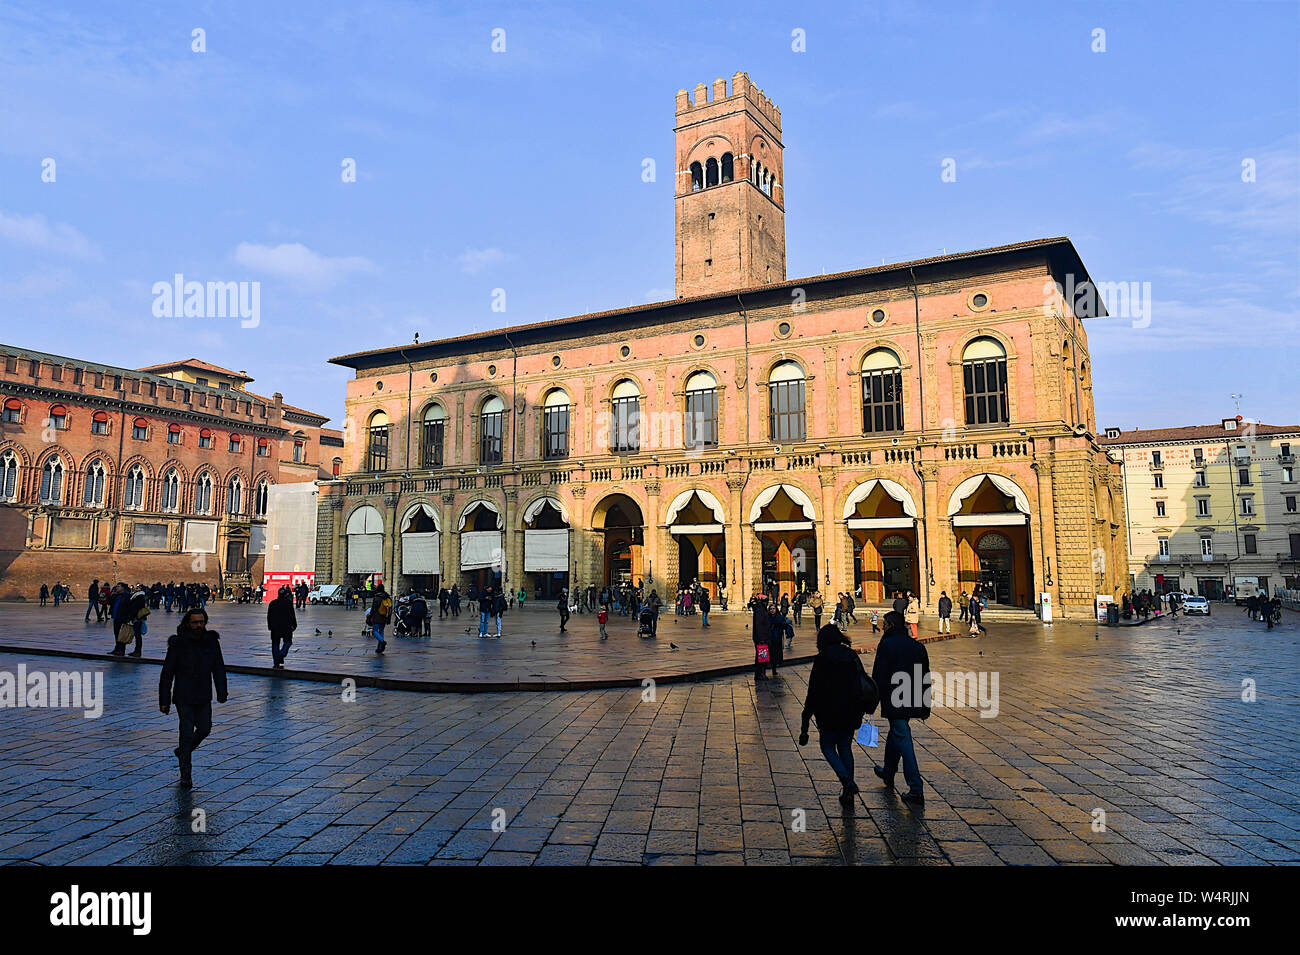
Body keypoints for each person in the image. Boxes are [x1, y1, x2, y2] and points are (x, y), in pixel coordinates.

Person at [799, 624, 875, 805]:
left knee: (827, 746)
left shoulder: (822, 658)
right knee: (845, 748)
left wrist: (805, 721)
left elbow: (813, 691)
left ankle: (846, 780)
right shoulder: (851, 655)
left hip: (827, 711)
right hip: (851, 710)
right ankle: (847, 793)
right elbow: (862, 680)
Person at [159, 608, 228, 789]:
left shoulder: (211, 641)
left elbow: (218, 667)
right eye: (195, 622)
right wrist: (164, 700)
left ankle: (182, 752)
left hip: (203, 694)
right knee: (186, 733)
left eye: (201, 622)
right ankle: (186, 775)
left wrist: (222, 692)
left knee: (205, 728)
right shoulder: (178, 643)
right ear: (187, 623)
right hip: (184, 695)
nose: (198, 626)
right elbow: (167, 673)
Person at [872, 611, 929, 805]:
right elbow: (925, 677)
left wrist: (873, 700)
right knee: (896, 732)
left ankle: (916, 788)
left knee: (903, 737)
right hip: (912, 696)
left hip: (894, 697)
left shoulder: (886, 645)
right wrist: (925, 704)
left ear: (890, 625)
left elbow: (879, 674)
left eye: (884, 624)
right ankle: (888, 772)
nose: (883, 627)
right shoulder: (917, 646)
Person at [267, 585, 296, 669]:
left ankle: (276, 662)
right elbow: (292, 615)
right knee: (288, 642)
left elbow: (269, 616)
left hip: (275, 627)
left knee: (275, 644)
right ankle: (282, 653)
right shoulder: (288, 603)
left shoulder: (273, 603)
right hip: (286, 626)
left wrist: (270, 626)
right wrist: (294, 625)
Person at [750, 593, 774, 681]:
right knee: (762, 658)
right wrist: (761, 639)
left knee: (762, 657)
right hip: (761, 638)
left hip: (762, 637)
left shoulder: (761, 609)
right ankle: (760, 674)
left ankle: (760, 674)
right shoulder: (760, 610)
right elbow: (759, 625)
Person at [368, 584, 392, 654]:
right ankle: (379, 648)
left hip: (377, 617)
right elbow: (390, 608)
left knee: (375, 631)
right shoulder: (387, 597)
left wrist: (370, 616)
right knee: (381, 631)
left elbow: (373, 608)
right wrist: (388, 618)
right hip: (384, 617)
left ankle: (382, 642)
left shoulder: (377, 597)